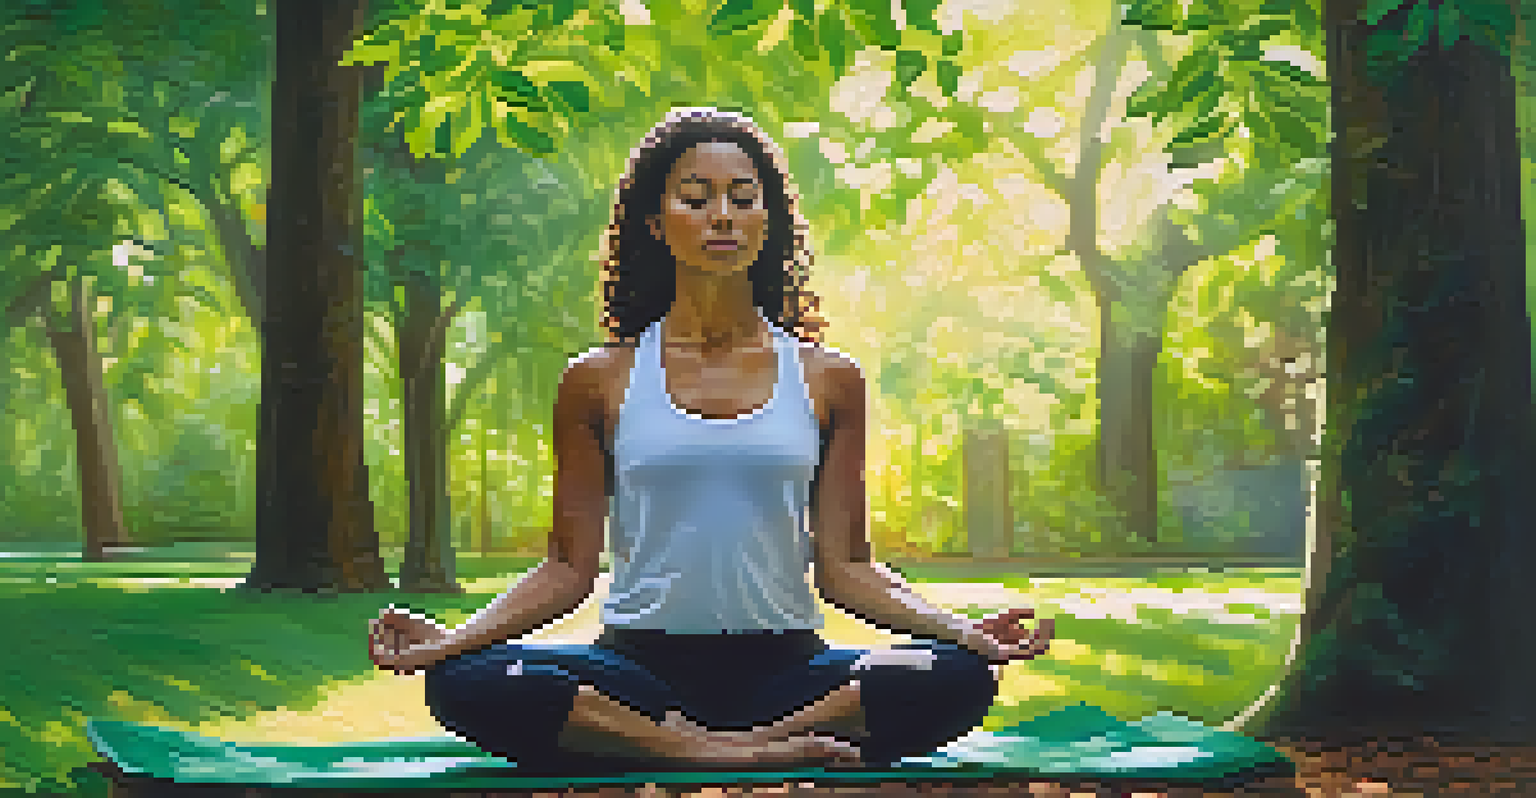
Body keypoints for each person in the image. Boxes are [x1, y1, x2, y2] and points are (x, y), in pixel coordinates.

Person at [366, 108, 1054, 772]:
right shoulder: (599, 380)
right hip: (635, 669)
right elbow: (566, 570)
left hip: (789, 670)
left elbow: (846, 567)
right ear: (654, 223)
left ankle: (736, 739)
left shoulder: (829, 380)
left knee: (956, 676)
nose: (721, 214)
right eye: (695, 198)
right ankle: (727, 752)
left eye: (742, 197)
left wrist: (962, 631)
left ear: (767, 219)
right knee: (466, 680)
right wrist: (452, 643)